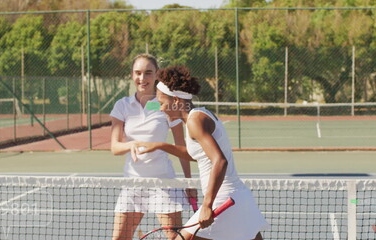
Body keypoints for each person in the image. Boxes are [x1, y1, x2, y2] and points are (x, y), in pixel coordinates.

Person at [135, 65, 270, 240]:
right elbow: (198, 155)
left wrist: (207, 205)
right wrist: (161, 145)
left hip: (224, 200)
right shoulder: (198, 115)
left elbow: (219, 161)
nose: (160, 109)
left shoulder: (195, 121)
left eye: (162, 103)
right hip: (238, 198)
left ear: (175, 100)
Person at [110, 54, 195, 240]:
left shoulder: (165, 105)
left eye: (148, 73)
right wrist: (131, 144)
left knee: (175, 238)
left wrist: (189, 182)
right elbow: (115, 147)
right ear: (132, 75)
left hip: (163, 183)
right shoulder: (122, 106)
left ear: (156, 75)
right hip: (132, 184)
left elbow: (181, 145)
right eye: (138, 73)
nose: (142, 78)